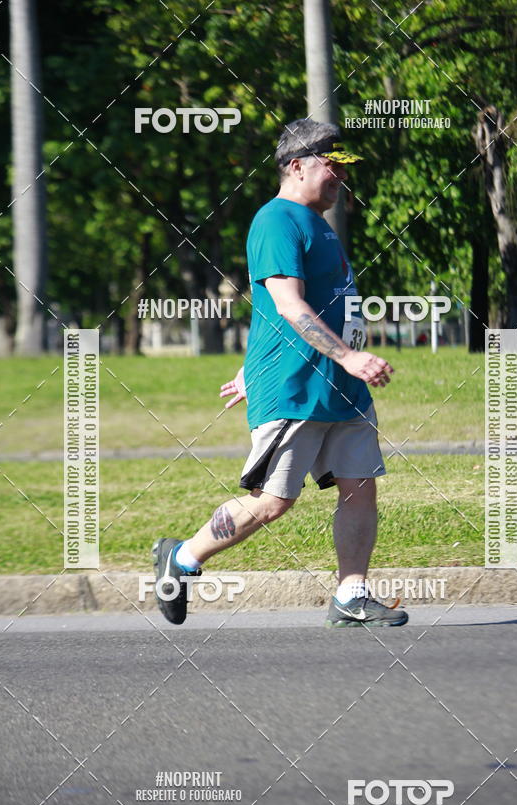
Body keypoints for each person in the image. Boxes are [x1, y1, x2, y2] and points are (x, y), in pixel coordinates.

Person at [152, 118, 408, 629]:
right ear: (297, 166)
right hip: (296, 391)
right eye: (332, 170)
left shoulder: (320, 227)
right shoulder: (276, 222)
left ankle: (351, 594)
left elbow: (291, 313)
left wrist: (262, 365)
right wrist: (347, 358)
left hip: (343, 390)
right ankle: (181, 559)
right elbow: (289, 305)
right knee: (272, 502)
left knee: (361, 487)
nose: (340, 180)